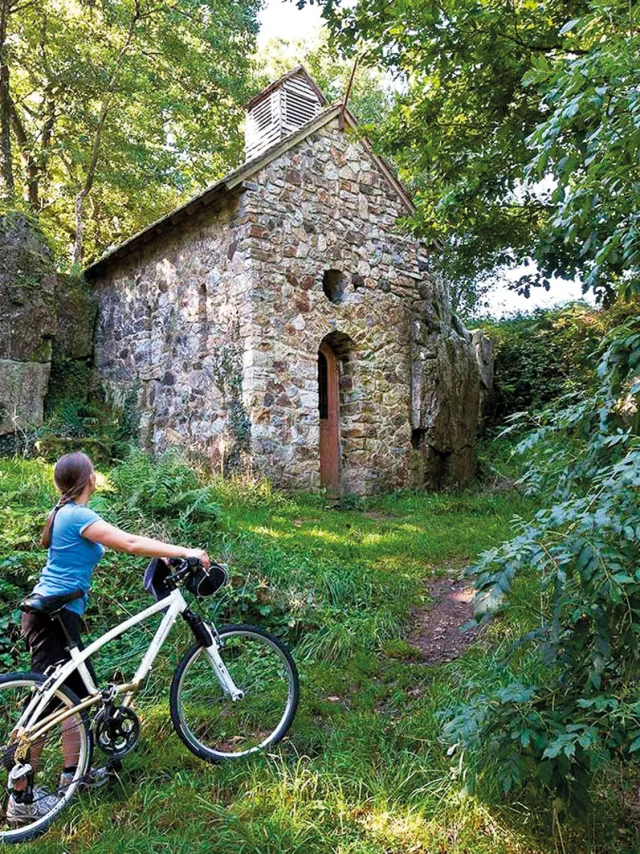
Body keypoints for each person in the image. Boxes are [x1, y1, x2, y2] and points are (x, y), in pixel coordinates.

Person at [7, 451, 210, 825]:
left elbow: (124, 541)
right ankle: (21, 800)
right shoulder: (77, 515)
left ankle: (74, 777)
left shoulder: (63, 513)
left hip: (57, 615)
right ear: (90, 480)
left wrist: (163, 556)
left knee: (77, 702)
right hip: (52, 618)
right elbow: (129, 543)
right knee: (45, 708)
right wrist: (184, 551)